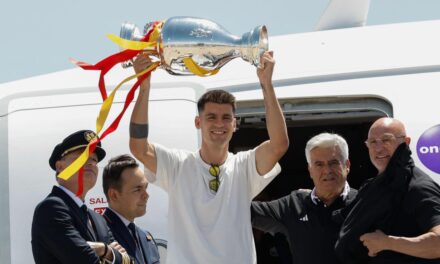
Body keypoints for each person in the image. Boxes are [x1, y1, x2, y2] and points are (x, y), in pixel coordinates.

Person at [129, 51, 289, 264]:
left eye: (226, 118)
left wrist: (267, 84)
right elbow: (139, 147)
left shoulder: (244, 166)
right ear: (198, 122)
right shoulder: (177, 165)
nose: (219, 124)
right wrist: (144, 86)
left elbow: (279, 145)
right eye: (211, 117)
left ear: (235, 124)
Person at [335, 117, 440, 263]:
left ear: (406, 142)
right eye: (373, 142)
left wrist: (388, 243)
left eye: (386, 140)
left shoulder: (417, 187)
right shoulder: (374, 186)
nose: (378, 148)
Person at [251, 132, 357, 264]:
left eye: (333, 162)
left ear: (347, 166)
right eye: (319, 164)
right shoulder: (294, 204)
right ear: (310, 170)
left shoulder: (363, 202)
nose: (327, 170)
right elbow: (244, 210)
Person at [31, 130, 132, 264]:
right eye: (83, 157)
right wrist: (109, 252)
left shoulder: (98, 219)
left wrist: (102, 249)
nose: (91, 163)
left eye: (94, 160)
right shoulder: (51, 208)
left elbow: (129, 261)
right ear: (60, 167)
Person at [102, 154, 160, 264]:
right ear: (114, 195)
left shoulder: (146, 237)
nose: (146, 195)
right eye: (137, 190)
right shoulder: (98, 234)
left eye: (145, 187)